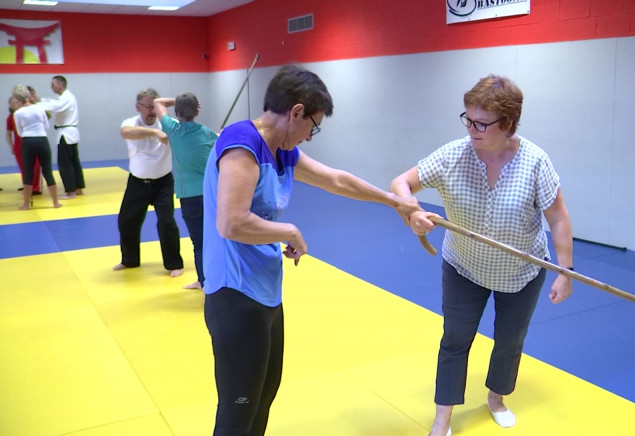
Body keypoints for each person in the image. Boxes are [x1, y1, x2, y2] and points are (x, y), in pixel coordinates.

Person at [202, 64, 419, 435]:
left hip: (266, 291)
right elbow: (231, 223)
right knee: (238, 407)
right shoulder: (243, 144)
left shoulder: (281, 149)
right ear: (296, 112)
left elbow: (335, 179)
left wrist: (392, 201)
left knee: (263, 397)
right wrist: (288, 230)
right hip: (234, 294)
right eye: (312, 126)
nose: (310, 136)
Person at [390, 74, 574, 436]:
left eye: (481, 123)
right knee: (455, 338)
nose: (472, 128)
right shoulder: (453, 155)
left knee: (510, 340)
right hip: (464, 266)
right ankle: (443, 417)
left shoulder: (535, 161)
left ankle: (497, 397)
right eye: (468, 119)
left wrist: (565, 270)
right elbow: (402, 183)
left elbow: (558, 217)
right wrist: (412, 211)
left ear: (507, 124)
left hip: (522, 271)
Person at [113, 88, 183, 277]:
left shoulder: (168, 123)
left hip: (163, 183)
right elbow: (126, 132)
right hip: (137, 182)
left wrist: (176, 102)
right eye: (148, 106)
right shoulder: (130, 123)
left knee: (167, 222)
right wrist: (155, 134)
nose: (152, 111)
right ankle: (130, 259)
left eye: (156, 106)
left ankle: (174, 264)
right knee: (126, 221)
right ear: (138, 107)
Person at [154, 92, 218, 290]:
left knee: (199, 242)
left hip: (190, 197)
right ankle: (215, 281)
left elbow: (157, 102)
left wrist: (180, 103)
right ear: (198, 110)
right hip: (212, 195)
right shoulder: (208, 133)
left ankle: (204, 282)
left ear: (176, 112)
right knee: (215, 240)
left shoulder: (172, 129)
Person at [11, 85, 61, 210]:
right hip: (42, 140)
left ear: (17, 98)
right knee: (47, 171)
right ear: (28, 95)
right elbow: (46, 125)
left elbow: (19, 132)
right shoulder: (39, 108)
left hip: (27, 141)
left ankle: (26, 204)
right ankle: (55, 203)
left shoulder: (17, 113)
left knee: (28, 173)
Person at [39, 75, 84, 199]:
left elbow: (53, 105)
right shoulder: (67, 97)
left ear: (60, 84)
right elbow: (52, 102)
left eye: (53, 84)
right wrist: (40, 100)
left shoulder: (66, 98)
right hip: (70, 133)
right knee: (74, 162)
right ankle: (78, 187)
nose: (51, 87)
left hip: (66, 134)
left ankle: (71, 191)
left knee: (65, 164)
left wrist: (36, 102)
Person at [7, 95, 43, 195]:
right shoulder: (11, 117)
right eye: (14, 103)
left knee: (35, 165)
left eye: (18, 102)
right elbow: (9, 133)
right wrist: (11, 146)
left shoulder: (28, 113)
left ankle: (36, 187)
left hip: (30, 141)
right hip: (19, 144)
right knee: (23, 166)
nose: (17, 104)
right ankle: (27, 186)